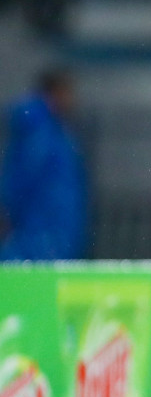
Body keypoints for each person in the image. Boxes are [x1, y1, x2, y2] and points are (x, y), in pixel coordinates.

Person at [1, 68, 88, 260]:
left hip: (52, 227)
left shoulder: (54, 129)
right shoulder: (39, 131)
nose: (72, 99)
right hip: (40, 229)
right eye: (68, 92)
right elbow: (21, 178)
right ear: (55, 92)